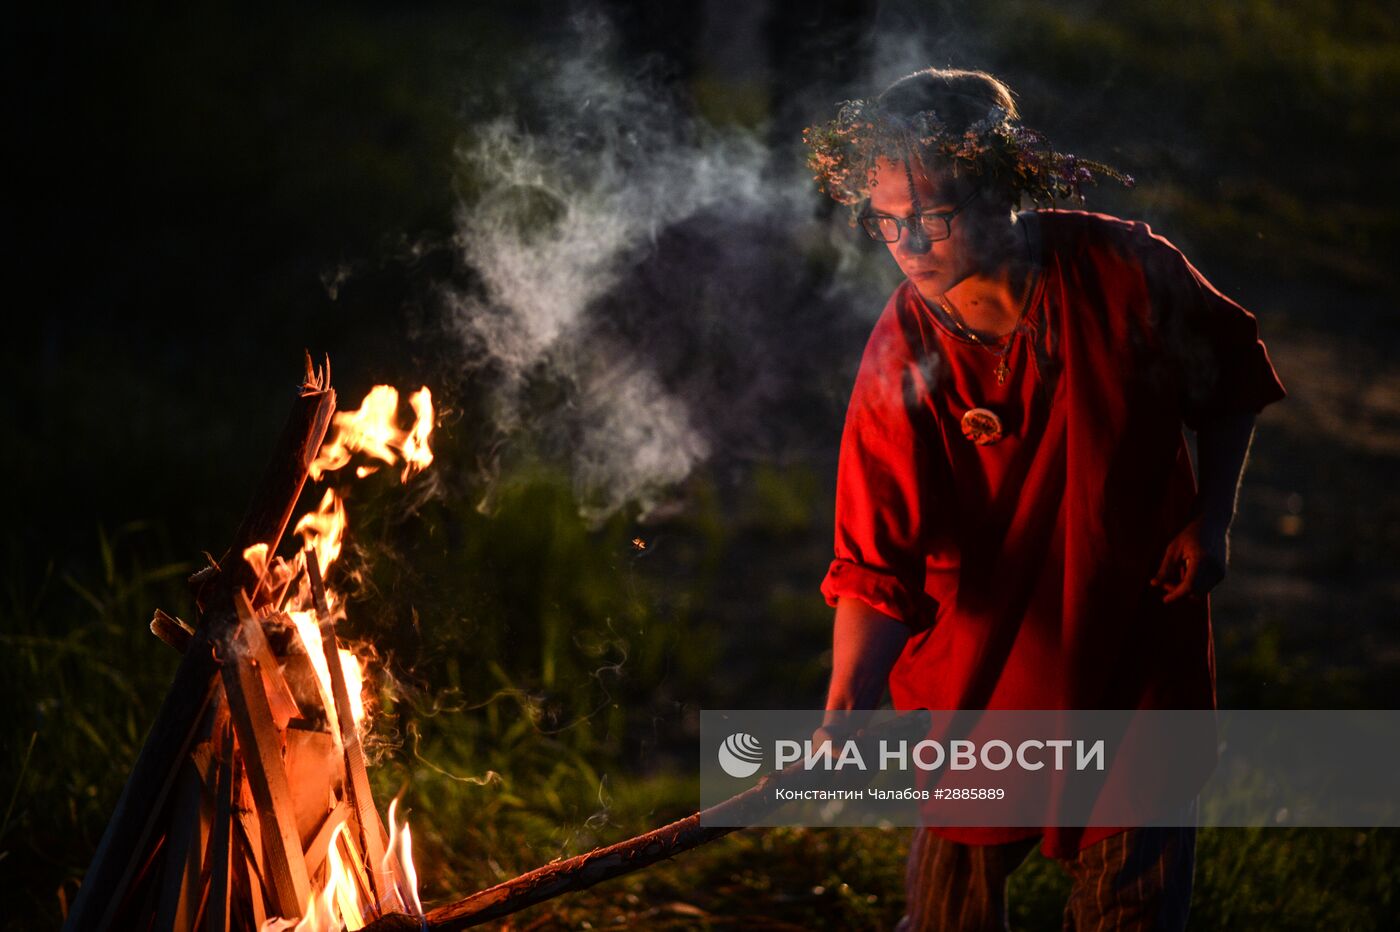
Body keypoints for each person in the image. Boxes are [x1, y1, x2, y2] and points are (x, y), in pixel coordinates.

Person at [804, 69, 1287, 931]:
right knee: (949, 916)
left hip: (1131, 650)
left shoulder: (1124, 269)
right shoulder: (902, 354)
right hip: (980, 680)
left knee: (1132, 908)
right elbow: (876, 556)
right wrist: (844, 717)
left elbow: (1229, 379)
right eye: (885, 219)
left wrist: (1212, 518)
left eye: (933, 215)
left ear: (1002, 188)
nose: (906, 241)